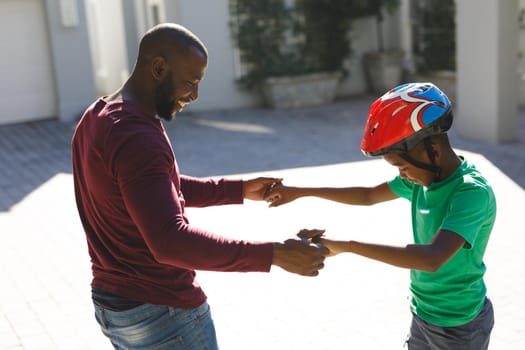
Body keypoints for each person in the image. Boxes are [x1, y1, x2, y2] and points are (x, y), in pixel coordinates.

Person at [71, 23, 328, 350]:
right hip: (163, 314)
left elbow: (151, 189)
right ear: (159, 68)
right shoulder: (137, 136)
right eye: (191, 82)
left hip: (116, 306)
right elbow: (169, 241)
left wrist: (238, 189)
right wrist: (275, 255)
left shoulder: (98, 116)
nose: (194, 95)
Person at [265, 82, 496, 349]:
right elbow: (368, 195)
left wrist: (347, 246)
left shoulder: (470, 192)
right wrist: (301, 191)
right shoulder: (423, 179)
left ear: (433, 150)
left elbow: (431, 259)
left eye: (402, 166)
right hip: (423, 312)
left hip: (459, 325)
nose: (402, 175)